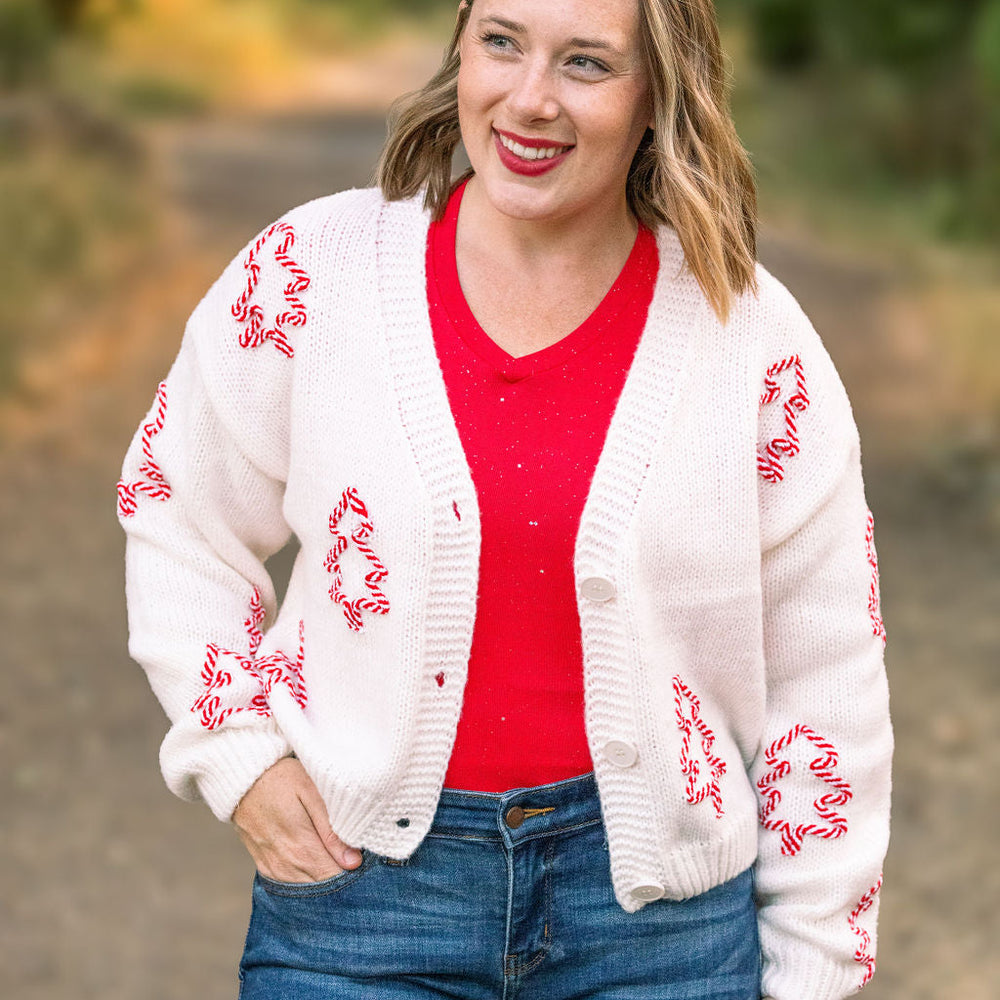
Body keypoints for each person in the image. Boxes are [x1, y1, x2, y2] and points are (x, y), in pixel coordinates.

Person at [117, 1, 892, 998]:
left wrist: (816, 968)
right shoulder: (315, 273)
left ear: (659, 92)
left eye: (585, 63)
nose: (529, 100)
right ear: (461, 51)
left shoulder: (750, 338)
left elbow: (825, 679)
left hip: (659, 936)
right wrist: (238, 753)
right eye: (500, 42)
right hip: (361, 915)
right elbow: (178, 509)